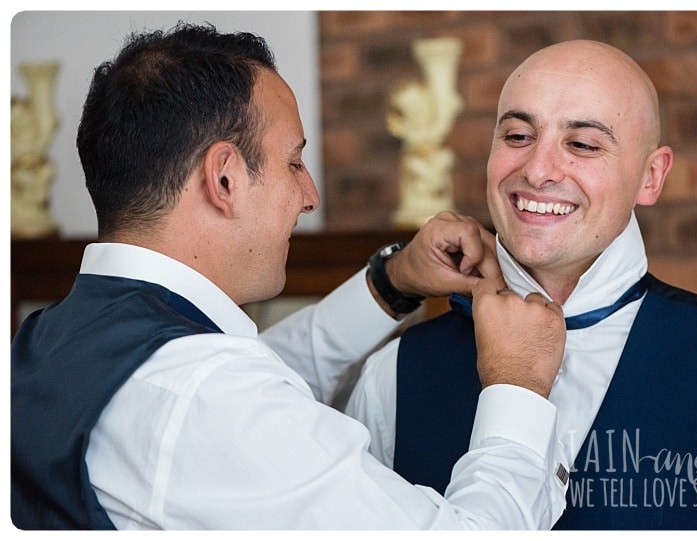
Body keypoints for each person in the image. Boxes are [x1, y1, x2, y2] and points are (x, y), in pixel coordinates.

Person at [10, 23, 570, 530]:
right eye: (294, 163)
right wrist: (517, 383)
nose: (310, 196)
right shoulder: (207, 396)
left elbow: (272, 368)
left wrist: (392, 281)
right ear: (224, 178)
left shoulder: (46, 340)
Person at [346, 39, 697, 530]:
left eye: (582, 144)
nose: (537, 170)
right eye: (517, 135)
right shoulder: (392, 376)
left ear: (650, 176)